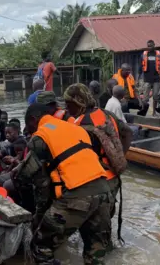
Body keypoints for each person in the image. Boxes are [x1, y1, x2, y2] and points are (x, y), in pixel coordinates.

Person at [25, 103, 112, 265]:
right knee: (95, 253)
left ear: (33, 119)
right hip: (104, 193)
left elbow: (40, 186)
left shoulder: (40, 137)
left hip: (76, 197)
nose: (29, 130)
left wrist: (40, 217)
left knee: (40, 248)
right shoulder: (77, 129)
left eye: (28, 125)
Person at [64, 83, 132, 249]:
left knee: (93, 231)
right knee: (104, 224)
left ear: (79, 102)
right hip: (113, 178)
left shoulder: (80, 125)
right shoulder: (107, 115)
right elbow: (127, 133)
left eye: (68, 103)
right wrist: (119, 156)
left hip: (96, 183)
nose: (66, 107)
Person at [139, 40, 160, 117]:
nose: (149, 47)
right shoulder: (143, 54)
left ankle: (153, 112)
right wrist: (138, 79)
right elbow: (140, 68)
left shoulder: (158, 54)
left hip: (156, 79)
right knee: (145, 97)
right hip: (146, 79)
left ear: (154, 45)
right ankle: (143, 113)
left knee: (155, 96)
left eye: (151, 46)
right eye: (148, 46)